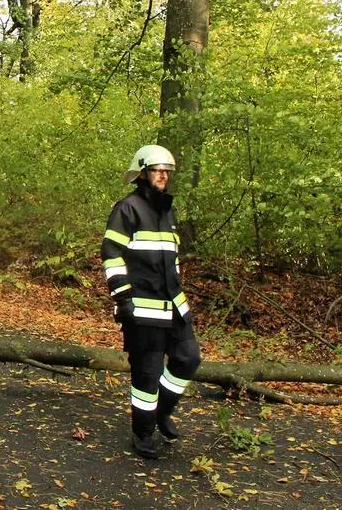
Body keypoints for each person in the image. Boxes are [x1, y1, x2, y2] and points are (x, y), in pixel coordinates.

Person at [101, 144, 201, 459]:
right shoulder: (127, 209)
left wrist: (180, 296)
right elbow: (111, 255)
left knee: (188, 358)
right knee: (147, 374)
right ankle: (142, 434)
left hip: (174, 307)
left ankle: (162, 412)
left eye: (166, 171)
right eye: (157, 170)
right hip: (142, 309)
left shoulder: (168, 211)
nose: (163, 175)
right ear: (143, 173)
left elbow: (172, 260)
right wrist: (122, 298)